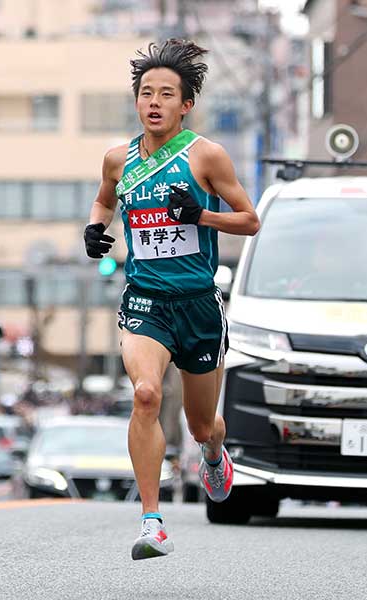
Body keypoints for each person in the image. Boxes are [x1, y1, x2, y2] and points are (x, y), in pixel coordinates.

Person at [83, 39, 259, 560]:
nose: (153, 102)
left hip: (199, 304)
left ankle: (212, 453)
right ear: (136, 101)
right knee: (145, 395)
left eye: (166, 94)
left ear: (186, 105)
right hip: (146, 300)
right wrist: (96, 229)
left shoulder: (206, 156)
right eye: (145, 93)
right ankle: (152, 523)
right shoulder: (119, 159)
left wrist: (200, 216)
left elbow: (249, 220)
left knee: (202, 423)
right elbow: (102, 199)